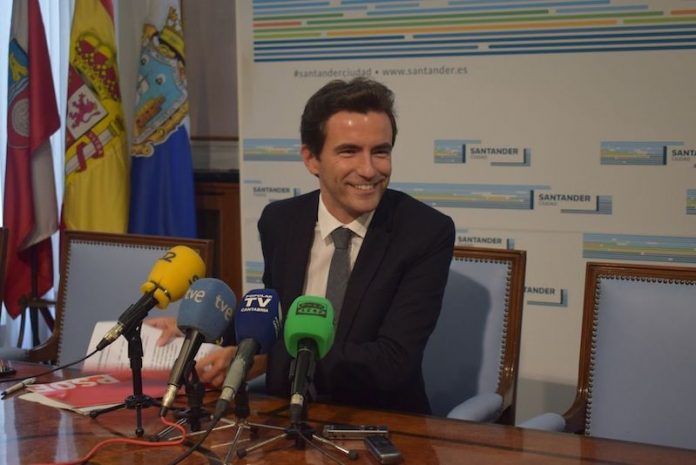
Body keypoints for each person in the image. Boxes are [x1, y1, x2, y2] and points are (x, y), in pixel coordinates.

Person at [149, 77, 454, 414]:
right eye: (349, 151)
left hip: (381, 418)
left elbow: (391, 362)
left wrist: (268, 359)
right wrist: (204, 331)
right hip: (281, 413)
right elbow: (277, 318)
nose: (369, 170)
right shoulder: (281, 221)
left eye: (380, 151)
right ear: (311, 159)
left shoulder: (423, 232)